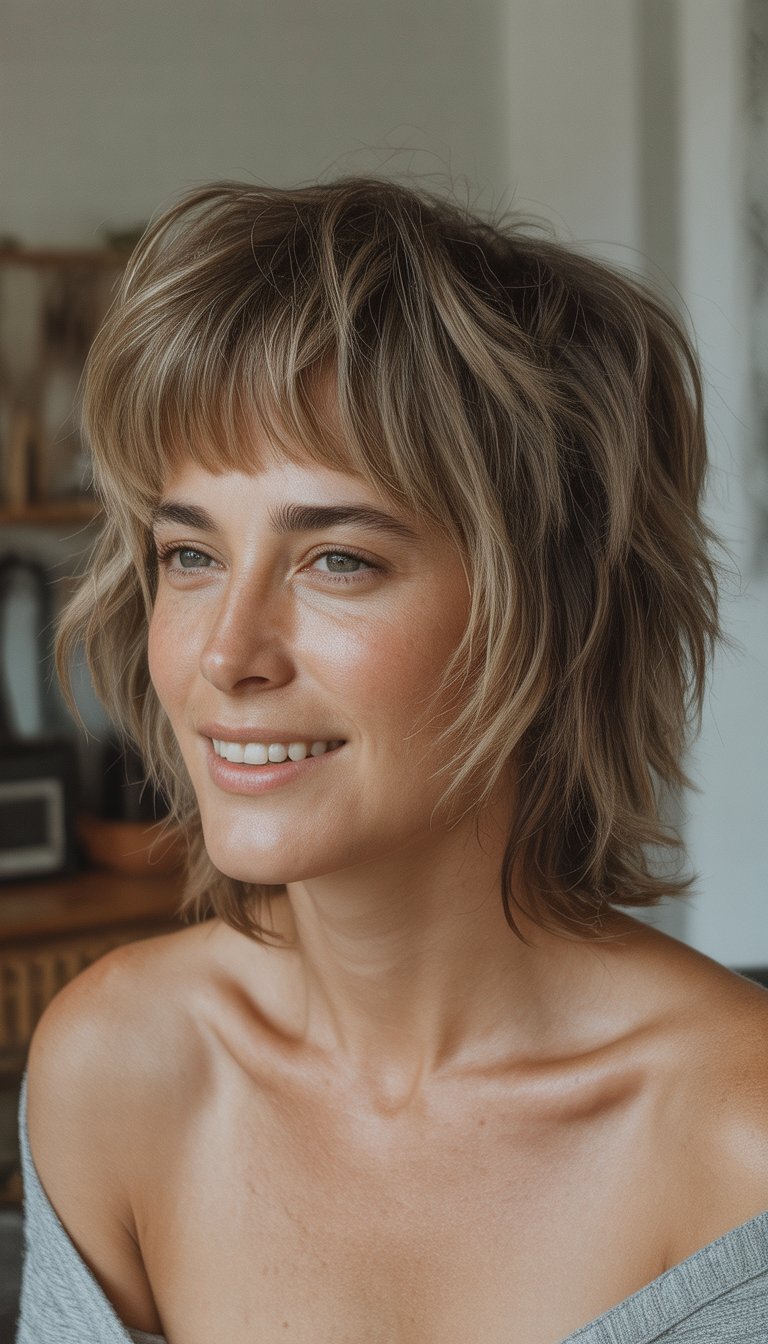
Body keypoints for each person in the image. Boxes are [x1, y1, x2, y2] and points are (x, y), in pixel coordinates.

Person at [16, 176, 768, 1344]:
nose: (226, 652)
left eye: (340, 562)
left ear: (557, 609)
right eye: (190, 554)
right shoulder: (115, 1070)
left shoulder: (742, 1147)